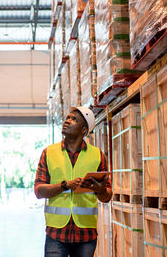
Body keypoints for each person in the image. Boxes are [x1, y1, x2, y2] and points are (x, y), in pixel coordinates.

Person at [34, 106, 112, 257]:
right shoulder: (49, 153)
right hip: (56, 233)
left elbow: (107, 196)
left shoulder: (98, 156)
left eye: (74, 119)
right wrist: (64, 185)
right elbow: (39, 190)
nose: (67, 121)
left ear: (84, 130)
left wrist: (100, 189)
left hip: (85, 235)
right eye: (68, 118)